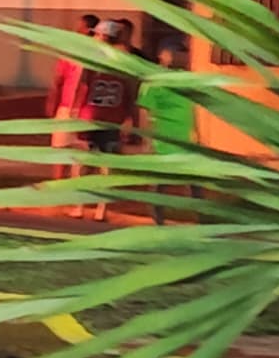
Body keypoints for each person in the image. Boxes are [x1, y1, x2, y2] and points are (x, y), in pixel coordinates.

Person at [61, 19, 138, 221]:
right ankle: (101, 209)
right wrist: (130, 116)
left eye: (96, 34)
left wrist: (73, 108)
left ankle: (79, 206)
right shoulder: (123, 59)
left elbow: (82, 84)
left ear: (103, 36)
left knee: (82, 162)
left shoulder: (92, 57)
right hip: (114, 116)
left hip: (91, 114)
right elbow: (131, 90)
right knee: (106, 164)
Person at [139, 35, 197, 226]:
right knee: (158, 184)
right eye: (172, 52)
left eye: (180, 52)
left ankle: (202, 219)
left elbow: (193, 108)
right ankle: (158, 221)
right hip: (161, 139)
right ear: (162, 55)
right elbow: (145, 110)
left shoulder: (187, 80)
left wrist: (196, 132)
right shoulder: (154, 81)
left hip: (185, 139)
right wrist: (146, 139)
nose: (176, 56)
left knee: (194, 183)